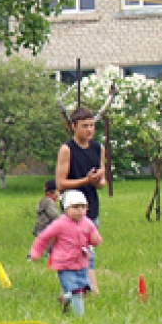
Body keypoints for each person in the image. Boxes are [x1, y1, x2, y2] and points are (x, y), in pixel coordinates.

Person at [56, 107, 105, 293]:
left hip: (92, 206)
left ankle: (83, 287)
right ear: (74, 127)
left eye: (92, 125)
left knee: (88, 250)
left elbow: (102, 182)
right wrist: (85, 180)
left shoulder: (98, 147)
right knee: (77, 250)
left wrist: (99, 179)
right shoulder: (67, 149)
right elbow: (61, 183)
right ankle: (85, 288)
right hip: (73, 208)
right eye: (85, 126)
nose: (90, 130)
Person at [29, 190, 102, 316]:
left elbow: (94, 239)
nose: (80, 211)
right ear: (67, 208)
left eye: (83, 207)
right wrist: (36, 252)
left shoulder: (88, 223)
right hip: (64, 263)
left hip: (82, 262)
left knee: (81, 287)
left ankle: (66, 299)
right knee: (75, 289)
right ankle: (80, 317)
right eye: (75, 207)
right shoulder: (60, 224)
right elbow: (44, 237)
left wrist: (96, 240)